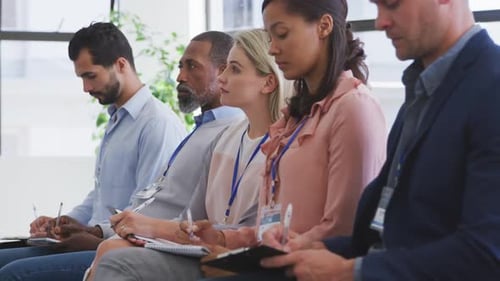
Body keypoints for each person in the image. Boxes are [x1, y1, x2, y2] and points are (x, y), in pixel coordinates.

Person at [206, 0, 500, 280]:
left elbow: (487, 254)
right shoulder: (422, 89)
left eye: (393, 4)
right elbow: (385, 235)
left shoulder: (489, 86)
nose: (380, 21)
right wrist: (318, 250)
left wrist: (351, 272)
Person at [91, 0, 387, 276]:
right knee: (114, 257)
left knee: (119, 262)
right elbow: (266, 227)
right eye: (270, 38)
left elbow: (343, 231)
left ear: (323, 26)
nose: (273, 49)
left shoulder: (353, 108)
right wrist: (220, 236)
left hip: (301, 265)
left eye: (281, 35)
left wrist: (262, 248)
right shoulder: (298, 115)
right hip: (266, 256)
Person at [87, 28, 288, 281]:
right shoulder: (225, 138)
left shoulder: (284, 145)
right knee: (111, 251)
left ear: (268, 82)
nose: (222, 78)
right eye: (224, 69)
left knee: (115, 257)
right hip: (205, 251)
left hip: (239, 260)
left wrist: (149, 227)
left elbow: (258, 230)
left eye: (233, 69)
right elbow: (190, 218)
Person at [0, 22, 189, 280]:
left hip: (121, 250)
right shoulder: (118, 120)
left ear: (121, 65)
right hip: (96, 241)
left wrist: (93, 233)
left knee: (12, 274)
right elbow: (99, 195)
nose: (86, 88)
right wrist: (62, 222)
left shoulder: (157, 124)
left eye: (91, 76)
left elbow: (148, 211)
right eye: (82, 78)